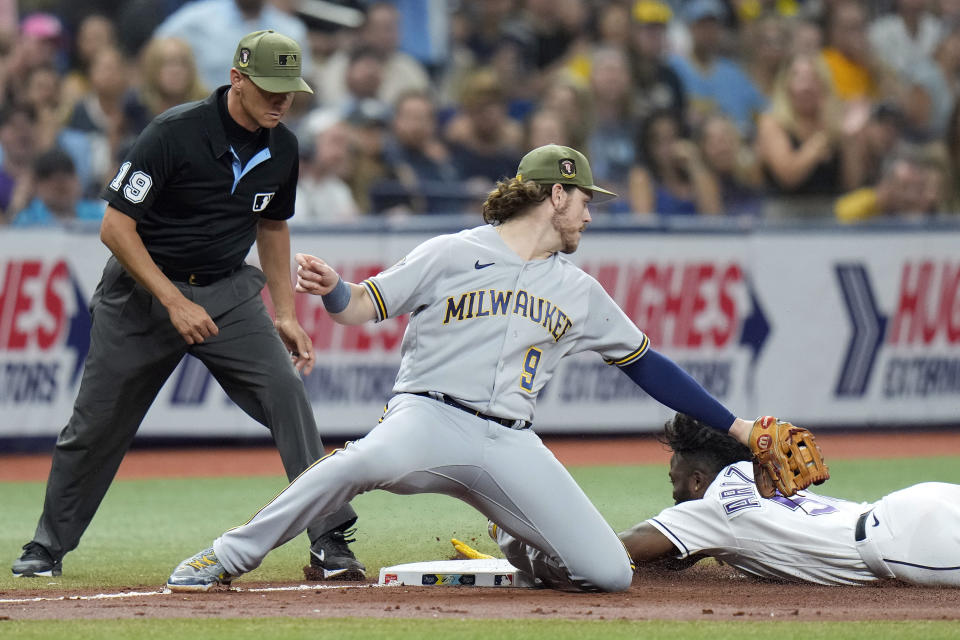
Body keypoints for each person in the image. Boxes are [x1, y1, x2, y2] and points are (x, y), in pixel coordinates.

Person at [167, 143, 782, 593]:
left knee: (609, 574)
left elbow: (650, 367)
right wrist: (332, 289)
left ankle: (517, 541)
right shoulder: (454, 252)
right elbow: (360, 306)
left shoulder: (580, 290)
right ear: (556, 194)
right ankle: (223, 558)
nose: (590, 216)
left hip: (510, 440)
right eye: (585, 202)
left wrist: (737, 428)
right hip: (426, 419)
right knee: (351, 464)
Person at [11, 30, 363, 583]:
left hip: (227, 291)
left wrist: (285, 312)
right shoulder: (174, 133)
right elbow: (114, 227)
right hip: (143, 295)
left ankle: (328, 540)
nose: (280, 100)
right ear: (237, 80)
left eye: (289, 90)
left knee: (286, 394)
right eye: (269, 88)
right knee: (95, 426)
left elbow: (272, 225)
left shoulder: (285, 148)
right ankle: (46, 546)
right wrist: (173, 301)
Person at [619, 413, 960, 587]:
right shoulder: (748, 469)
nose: (674, 493)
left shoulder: (706, 511)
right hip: (912, 504)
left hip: (906, 544)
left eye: (674, 481)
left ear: (697, 481)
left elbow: (621, 547)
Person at [9, 147, 106, 227]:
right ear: (36, 185)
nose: (60, 181)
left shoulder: (98, 215)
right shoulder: (25, 220)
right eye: (48, 175)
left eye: (67, 172)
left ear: (77, 179)